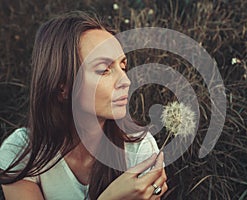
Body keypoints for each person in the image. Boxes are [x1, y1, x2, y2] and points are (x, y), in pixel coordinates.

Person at [0, 11, 168, 200]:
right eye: (104, 70)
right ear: (61, 86)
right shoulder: (21, 152)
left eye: (123, 67)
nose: (126, 81)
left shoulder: (138, 148)